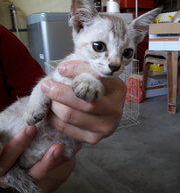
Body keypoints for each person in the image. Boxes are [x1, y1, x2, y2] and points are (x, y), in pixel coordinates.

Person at [0, 25, 127, 193]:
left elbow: (45, 89)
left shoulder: (3, 39)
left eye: (127, 53)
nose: (116, 62)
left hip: (39, 159)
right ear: (78, 25)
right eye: (99, 46)